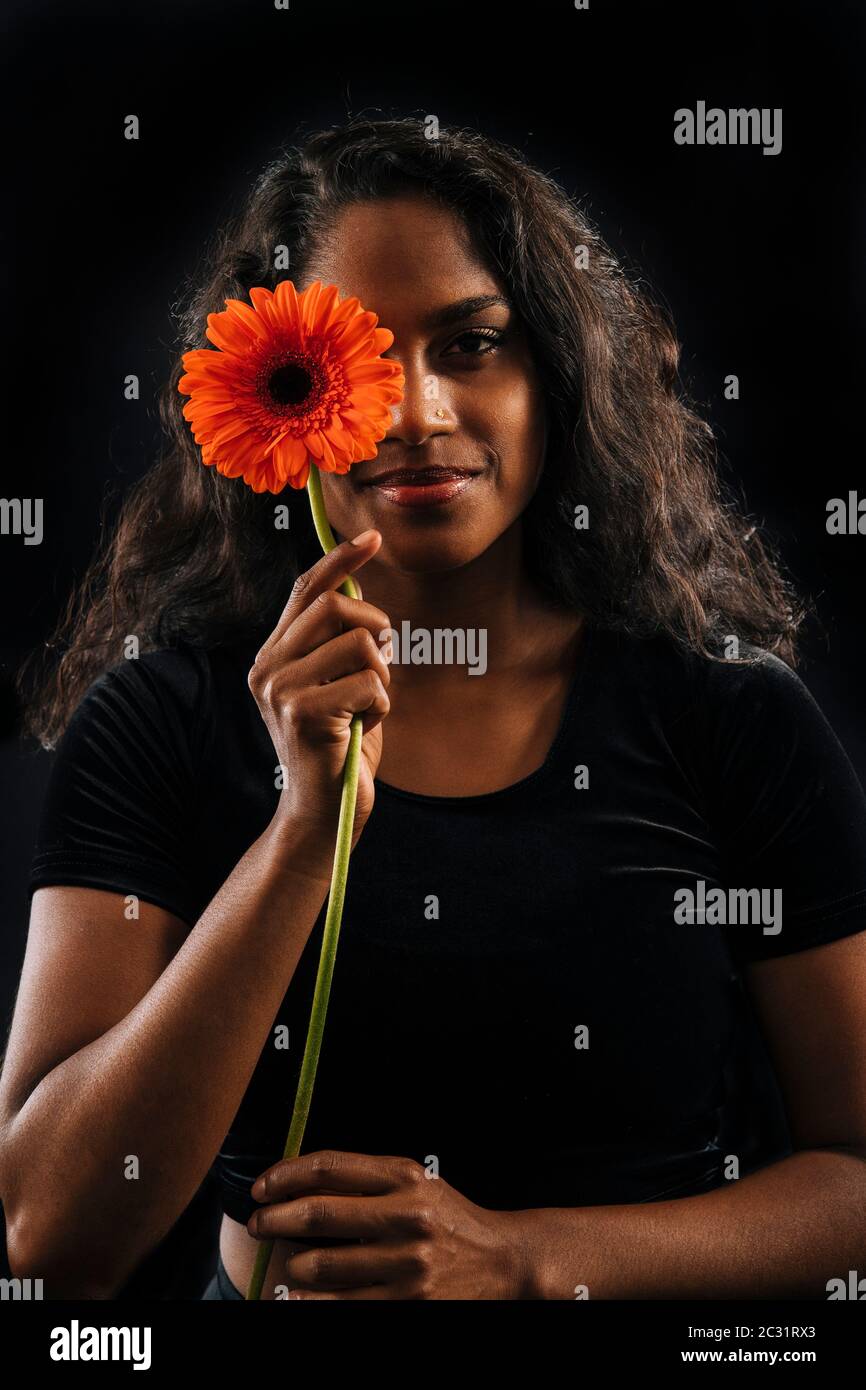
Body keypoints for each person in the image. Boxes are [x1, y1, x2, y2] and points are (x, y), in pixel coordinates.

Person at [2, 118, 865, 1301]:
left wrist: (524, 1262)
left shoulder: (726, 719)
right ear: (275, 392)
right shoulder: (160, 720)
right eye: (353, 363)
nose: (412, 413)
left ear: (554, 374)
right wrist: (301, 834)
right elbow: (50, 1231)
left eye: (470, 344)